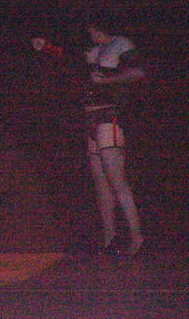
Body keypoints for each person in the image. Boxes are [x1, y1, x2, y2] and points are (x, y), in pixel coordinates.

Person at [32, 20, 145, 256]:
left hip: (109, 116)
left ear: (100, 27)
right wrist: (47, 47)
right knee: (101, 184)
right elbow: (69, 56)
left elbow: (137, 72)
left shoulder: (120, 44)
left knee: (117, 180)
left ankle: (137, 236)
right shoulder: (95, 51)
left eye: (92, 29)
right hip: (91, 119)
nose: (89, 33)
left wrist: (106, 80)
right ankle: (110, 239)